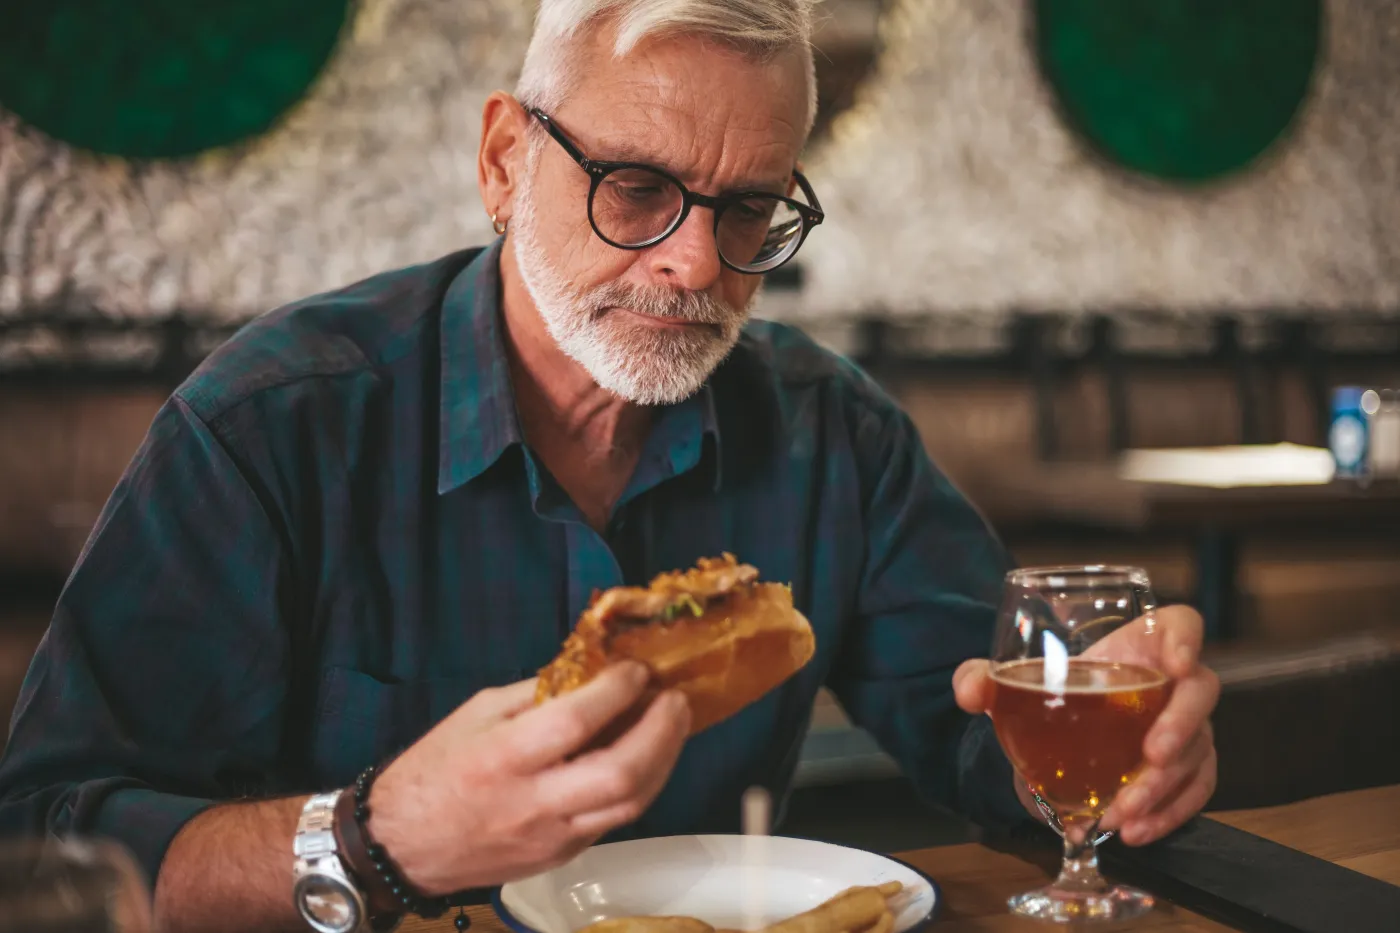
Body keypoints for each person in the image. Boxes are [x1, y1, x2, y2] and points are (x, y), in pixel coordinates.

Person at [0, 1, 1220, 931]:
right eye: (635, 189)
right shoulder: (273, 427)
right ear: (500, 162)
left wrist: (1115, 763)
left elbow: (979, 734)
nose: (695, 262)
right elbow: (42, 843)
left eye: (747, 210)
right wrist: (373, 839)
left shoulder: (831, 434)